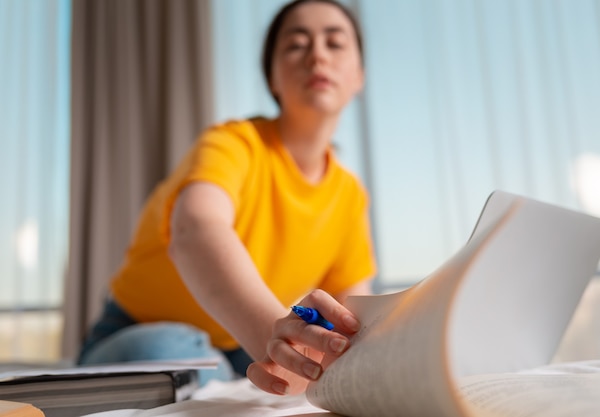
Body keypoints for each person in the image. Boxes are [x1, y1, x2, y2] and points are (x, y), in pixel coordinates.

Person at [77, 0, 376, 396]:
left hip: (239, 349)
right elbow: (195, 229)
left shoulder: (349, 195)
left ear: (359, 76)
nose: (317, 54)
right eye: (296, 45)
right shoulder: (233, 143)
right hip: (136, 330)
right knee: (176, 353)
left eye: (335, 43)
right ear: (272, 76)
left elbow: (352, 314)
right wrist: (275, 333)